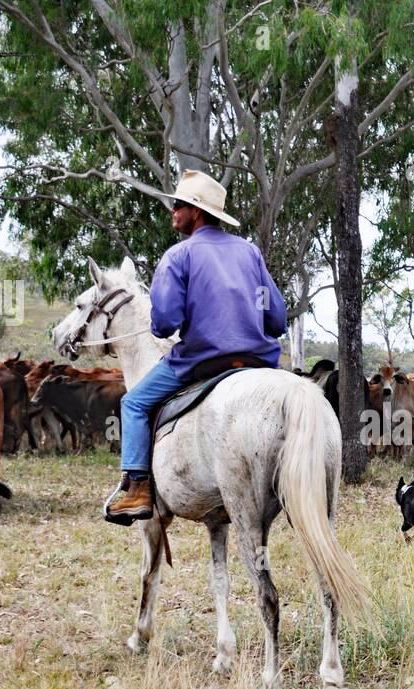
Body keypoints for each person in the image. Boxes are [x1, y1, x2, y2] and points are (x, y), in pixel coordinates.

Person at [104, 169, 287, 525]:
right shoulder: (250, 253)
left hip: (200, 362)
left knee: (134, 402)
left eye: (178, 204)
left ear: (197, 211)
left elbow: (163, 324)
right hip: (258, 362)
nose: (173, 210)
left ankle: (137, 490)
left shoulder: (178, 256)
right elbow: (277, 320)